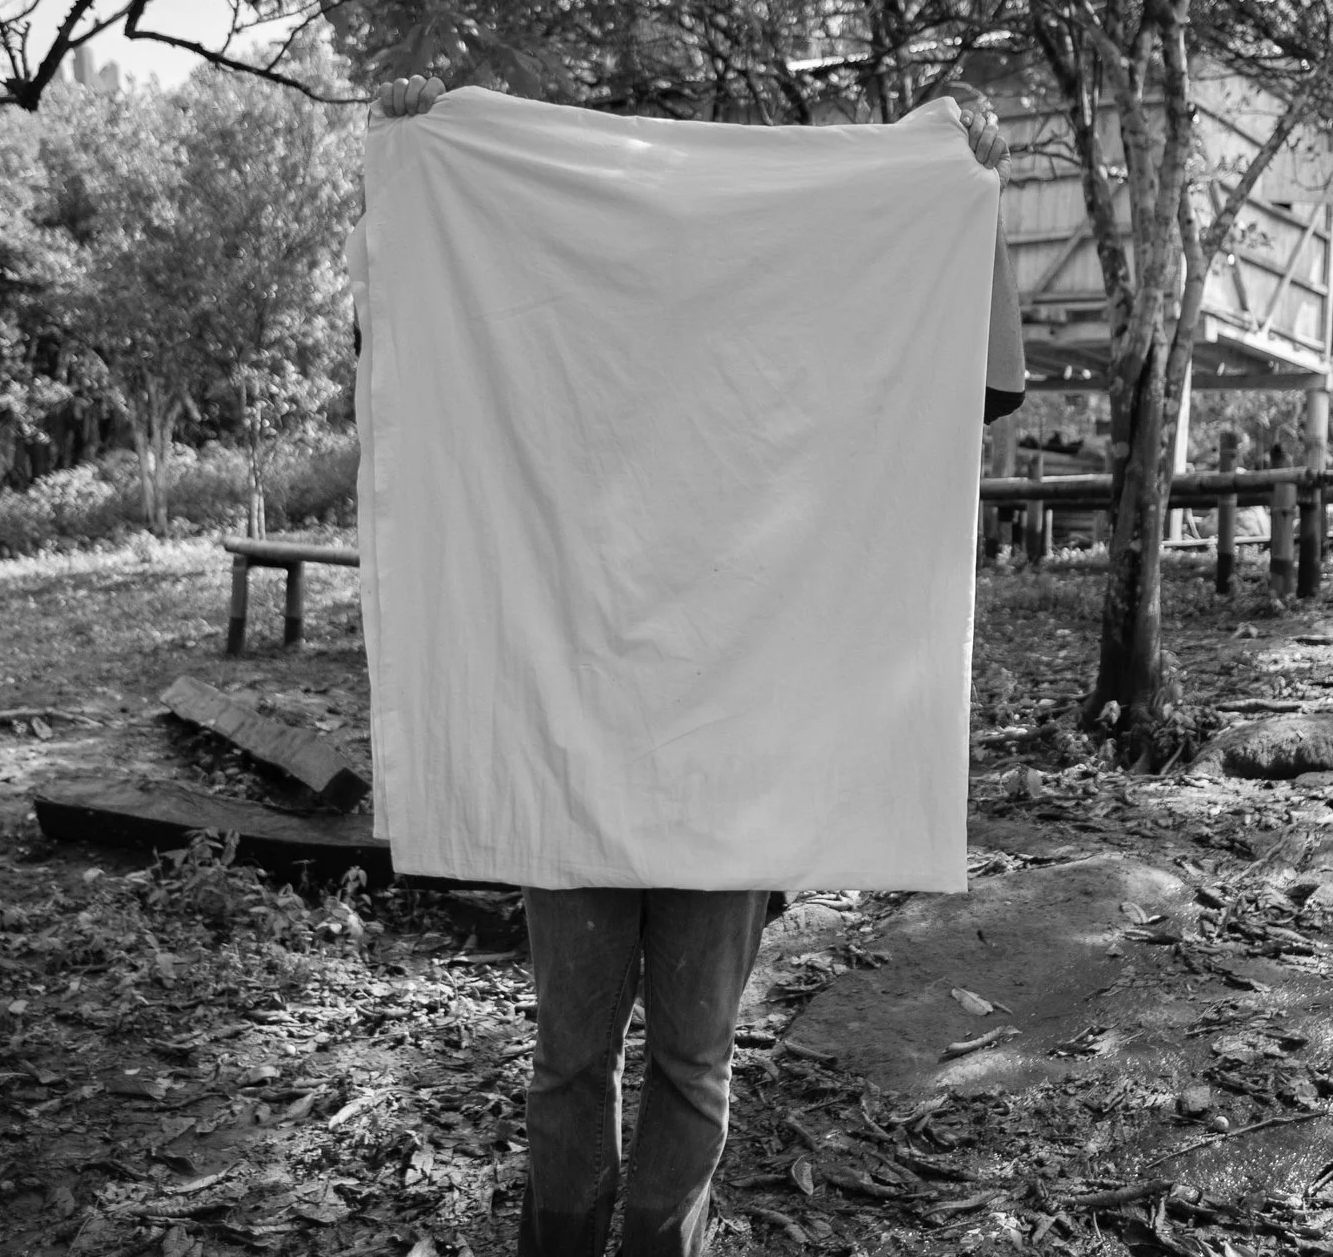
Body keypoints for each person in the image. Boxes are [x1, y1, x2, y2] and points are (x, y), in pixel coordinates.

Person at [372, 75, 1020, 1257]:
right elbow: (425, 337)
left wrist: (961, 191)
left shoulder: (795, 336)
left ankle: (662, 1241)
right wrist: (426, 170)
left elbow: (950, 383)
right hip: (575, 723)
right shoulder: (555, 301)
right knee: (572, 1051)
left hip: (733, 733)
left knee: (691, 1053)